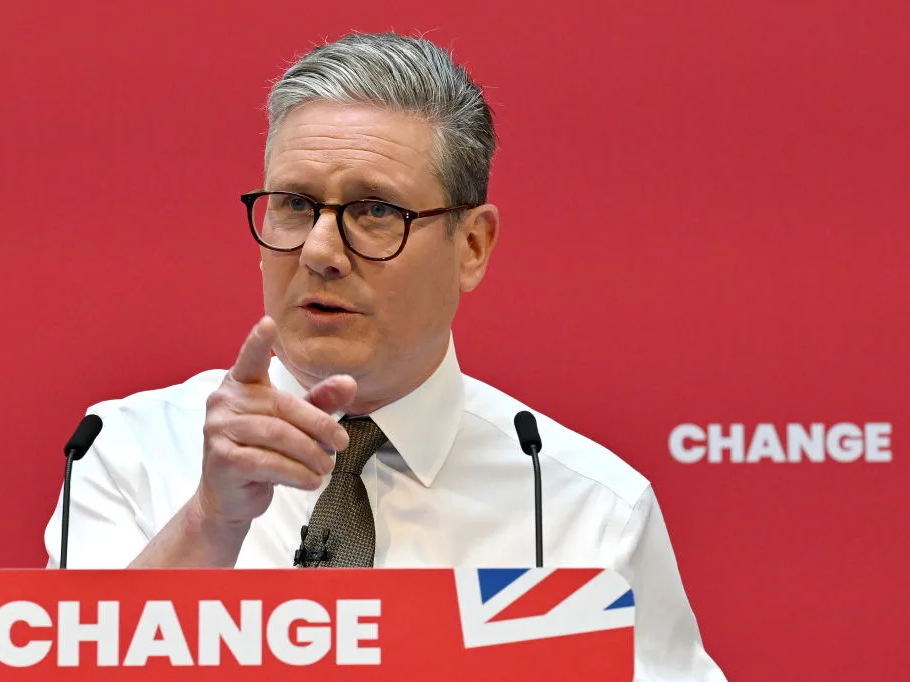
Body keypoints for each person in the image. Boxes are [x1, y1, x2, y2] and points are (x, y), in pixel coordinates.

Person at [44, 32, 726, 680]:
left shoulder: (584, 508)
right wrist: (210, 521)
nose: (319, 251)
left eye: (375, 211)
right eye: (294, 204)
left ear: (472, 246)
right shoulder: (128, 453)